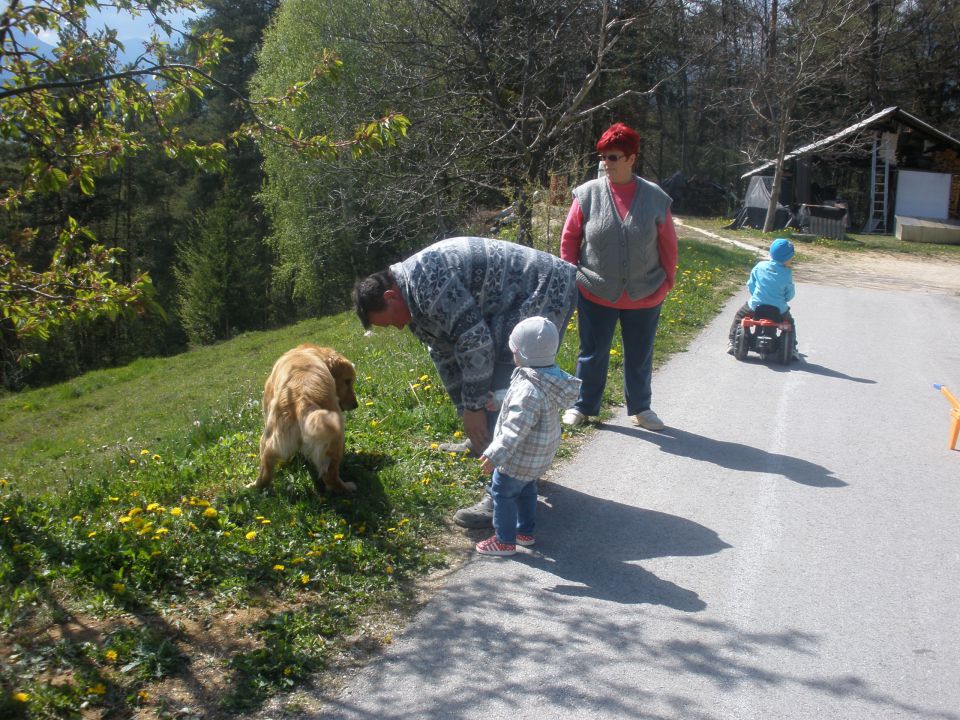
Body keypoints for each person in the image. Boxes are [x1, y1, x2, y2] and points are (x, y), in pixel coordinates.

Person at [352, 237, 578, 528]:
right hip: (512, 300)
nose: (396, 327)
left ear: (390, 296)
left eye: (390, 321)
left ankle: (500, 494)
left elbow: (476, 342)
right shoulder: (411, 299)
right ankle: (488, 444)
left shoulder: (427, 286)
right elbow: (444, 354)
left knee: (509, 385)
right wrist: (466, 412)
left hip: (543, 287)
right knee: (493, 386)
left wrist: (474, 408)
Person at [559, 122, 679, 431]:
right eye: (602, 157)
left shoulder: (654, 197)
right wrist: (568, 273)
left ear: (630, 158)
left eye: (613, 157)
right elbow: (570, 238)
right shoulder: (586, 194)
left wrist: (667, 280)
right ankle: (582, 406)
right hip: (595, 288)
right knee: (592, 353)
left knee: (639, 355)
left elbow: (668, 243)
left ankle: (641, 409)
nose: (605, 164)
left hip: (646, 291)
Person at [475, 317, 581, 556]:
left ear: (520, 353)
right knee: (527, 490)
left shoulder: (528, 389)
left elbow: (515, 428)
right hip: (539, 456)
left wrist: (494, 454)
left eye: (513, 349)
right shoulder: (547, 377)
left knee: (502, 492)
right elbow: (522, 400)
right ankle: (525, 532)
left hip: (519, 457)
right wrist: (501, 399)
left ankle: (504, 540)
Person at [727, 237, 799, 358]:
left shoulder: (760, 266)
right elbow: (790, 293)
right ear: (787, 259)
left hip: (756, 305)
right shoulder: (787, 273)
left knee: (740, 316)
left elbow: (751, 284)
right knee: (790, 323)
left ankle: (732, 341)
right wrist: (785, 299)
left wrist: (756, 294)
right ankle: (792, 349)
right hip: (779, 309)